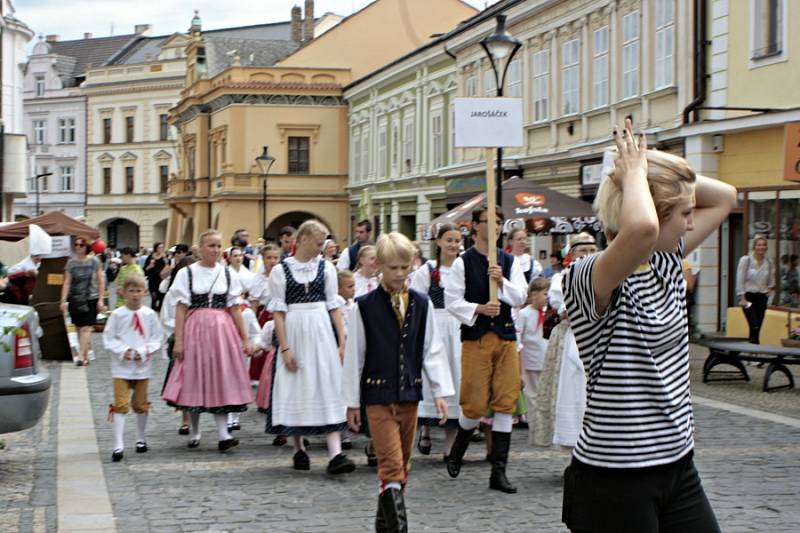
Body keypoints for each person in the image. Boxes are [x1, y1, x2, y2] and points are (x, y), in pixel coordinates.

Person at [560, 119, 735, 532]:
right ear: (654, 214)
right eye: (684, 214)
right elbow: (639, 229)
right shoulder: (588, 275)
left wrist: (648, 162)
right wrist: (636, 175)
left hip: (677, 463)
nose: (692, 224)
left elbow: (725, 197)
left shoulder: (665, 261)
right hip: (617, 477)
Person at [343, 232, 453, 533]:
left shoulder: (421, 302)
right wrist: (352, 401)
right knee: (391, 466)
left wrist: (441, 392)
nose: (400, 274)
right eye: (393, 268)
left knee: (403, 466)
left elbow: (432, 349)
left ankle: (383, 524)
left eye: (405, 267)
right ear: (379, 266)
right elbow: (356, 356)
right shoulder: (363, 306)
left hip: (410, 394)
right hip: (377, 396)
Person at [444, 205, 528, 494]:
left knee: (505, 402)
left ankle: (499, 471)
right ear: (475, 226)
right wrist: (478, 307)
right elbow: (452, 301)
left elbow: (520, 296)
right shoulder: (462, 263)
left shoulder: (508, 261)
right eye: (488, 222)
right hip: (476, 337)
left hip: (505, 336)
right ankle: (458, 449)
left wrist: (501, 281)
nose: (494, 227)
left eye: (498, 222)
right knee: (475, 403)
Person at [266, 219, 354, 474]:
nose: (322, 247)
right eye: (318, 242)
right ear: (302, 239)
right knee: (296, 384)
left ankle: (336, 453)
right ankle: (298, 448)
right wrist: (285, 348)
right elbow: (278, 314)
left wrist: (341, 341)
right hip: (294, 330)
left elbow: (333, 306)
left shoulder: (326, 268)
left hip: (320, 331)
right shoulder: (281, 271)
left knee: (327, 383)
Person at [161, 230, 255, 452]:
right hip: (195, 329)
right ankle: (194, 428)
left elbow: (234, 308)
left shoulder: (227, 274)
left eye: (218, 245)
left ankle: (224, 434)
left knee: (220, 377)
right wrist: (179, 341)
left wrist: (245, 338)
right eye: (211, 245)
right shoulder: (187, 274)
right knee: (195, 376)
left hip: (222, 332)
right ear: (201, 248)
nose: (215, 250)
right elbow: (181, 308)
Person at [533, 232, 596, 449]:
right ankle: (574, 445)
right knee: (572, 390)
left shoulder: (602, 274)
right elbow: (567, 311)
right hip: (573, 338)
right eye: (582, 250)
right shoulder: (562, 278)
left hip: (598, 338)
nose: (587, 254)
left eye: (591, 250)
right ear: (572, 254)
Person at [410, 223, 463, 460]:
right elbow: (416, 301)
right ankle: (426, 428)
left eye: (457, 240)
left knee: (454, 380)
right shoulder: (428, 270)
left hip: (458, 327)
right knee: (432, 378)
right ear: (439, 242)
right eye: (449, 240)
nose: (453, 245)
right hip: (434, 326)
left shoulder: (464, 268)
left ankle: (450, 444)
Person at [102, 274, 162, 462]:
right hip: (121, 367)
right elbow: (109, 338)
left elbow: (156, 337)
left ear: (144, 292)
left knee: (140, 403)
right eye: (131, 291)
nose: (135, 295)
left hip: (142, 366)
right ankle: (118, 444)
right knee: (121, 403)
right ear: (123, 292)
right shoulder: (118, 314)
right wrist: (124, 350)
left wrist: (144, 351)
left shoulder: (149, 315)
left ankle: (140, 438)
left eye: (138, 291)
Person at [61, 237, 106, 366]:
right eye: (76, 244)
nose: (78, 247)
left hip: (91, 298)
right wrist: (63, 300)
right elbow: (67, 282)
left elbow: (101, 281)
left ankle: (80, 357)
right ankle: (85, 357)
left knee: (86, 328)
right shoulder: (71, 263)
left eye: (81, 245)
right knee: (78, 328)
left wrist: (101, 299)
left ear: (86, 247)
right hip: (75, 299)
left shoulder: (94, 261)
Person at [516, 276, 550, 445]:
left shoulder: (547, 314)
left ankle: (543, 430)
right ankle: (535, 430)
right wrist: (520, 369)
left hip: (544, 361)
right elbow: (519, 340)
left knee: (543, 397)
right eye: (544, 294)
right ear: (534, 295)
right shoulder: (524, 314)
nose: (547, 297)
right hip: (530, 362)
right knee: (532, 397)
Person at [736, 234, 775, 344]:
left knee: (757, 328)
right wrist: (742, 298)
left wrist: (769, 296)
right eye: (758, 245)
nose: (761, 247)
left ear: (766, 247)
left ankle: (752, 353)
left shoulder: (769, 262)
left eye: (763, 245)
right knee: (755, 324)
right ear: (754, 246)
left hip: (762, 298)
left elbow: (772, 282)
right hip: (748, 298)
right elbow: (740, 280)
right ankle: (753, 353)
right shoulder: (746, 260)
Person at [144, 243, 167, 312]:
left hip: (161, 280)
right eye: (160, 247)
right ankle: (153, 311)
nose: (161, 249)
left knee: (161, 297)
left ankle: (160, 311)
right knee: (154, 298)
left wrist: (165, 258)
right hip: (152, 281)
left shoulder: (164, 257)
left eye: (162, 247)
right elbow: (145, 270)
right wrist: (149, 266)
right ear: (155, 248)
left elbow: (168, 267)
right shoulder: (150, 257)